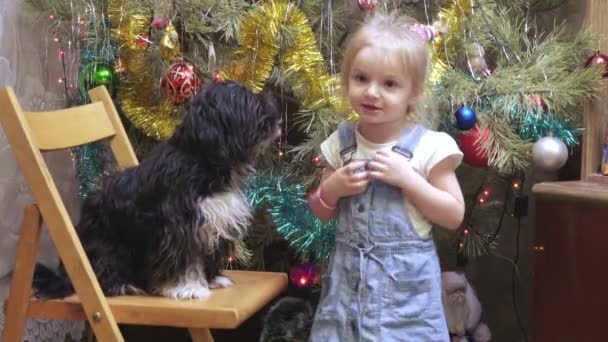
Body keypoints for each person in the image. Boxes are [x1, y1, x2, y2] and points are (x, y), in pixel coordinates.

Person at [308, 12, 465, 341]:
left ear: (414, 92)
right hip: (345, 299)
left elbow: (453, 214)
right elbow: (320, 209)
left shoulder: (429, 147)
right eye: (361, 78)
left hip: (405, 307)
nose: (372, 92)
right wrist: (332, 189)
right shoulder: (341, 143)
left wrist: (410, 180)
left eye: (389, 84)